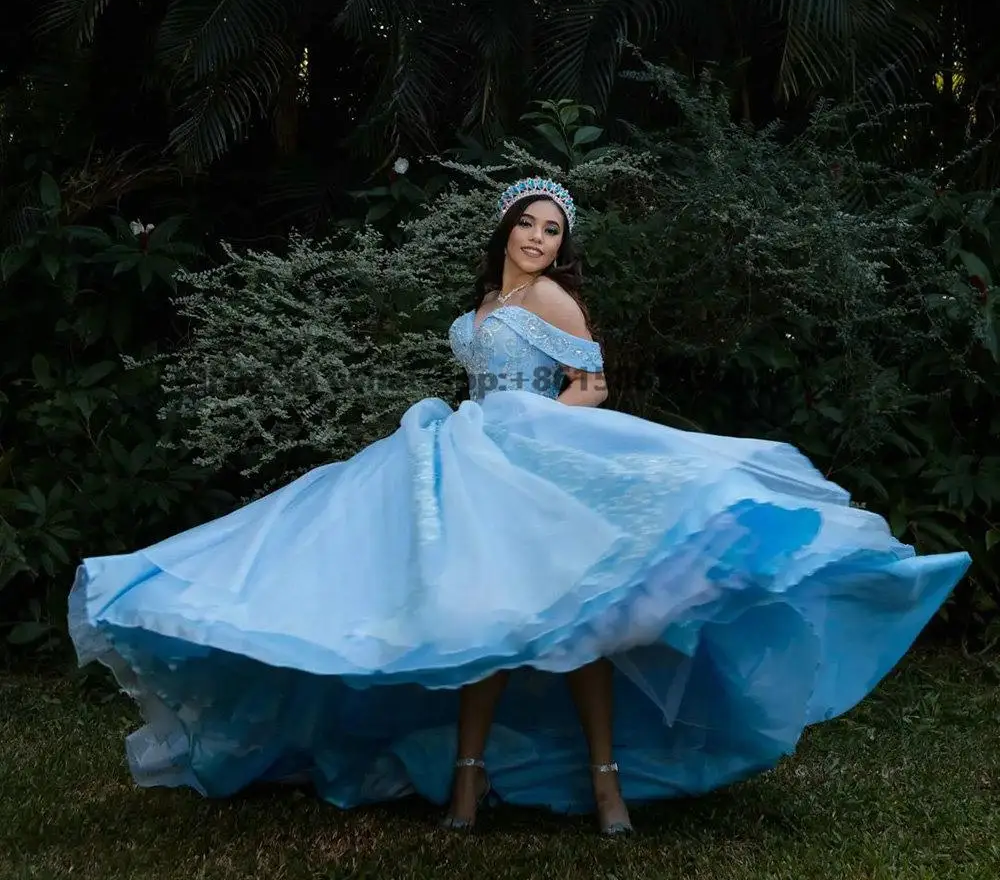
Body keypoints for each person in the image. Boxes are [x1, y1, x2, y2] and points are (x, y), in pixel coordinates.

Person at [69, 177, 970, 838]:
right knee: (483, 617)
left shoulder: (550, 298)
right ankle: (468, 780)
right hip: (472, 464)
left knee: (577, 618)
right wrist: (482, 426)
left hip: (531, 465)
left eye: (555, 229)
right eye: (530, 224)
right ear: (504, 227)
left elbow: (594, 385)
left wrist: (519, 425)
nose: (541, 238)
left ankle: (603, 781)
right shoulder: (484, 306)